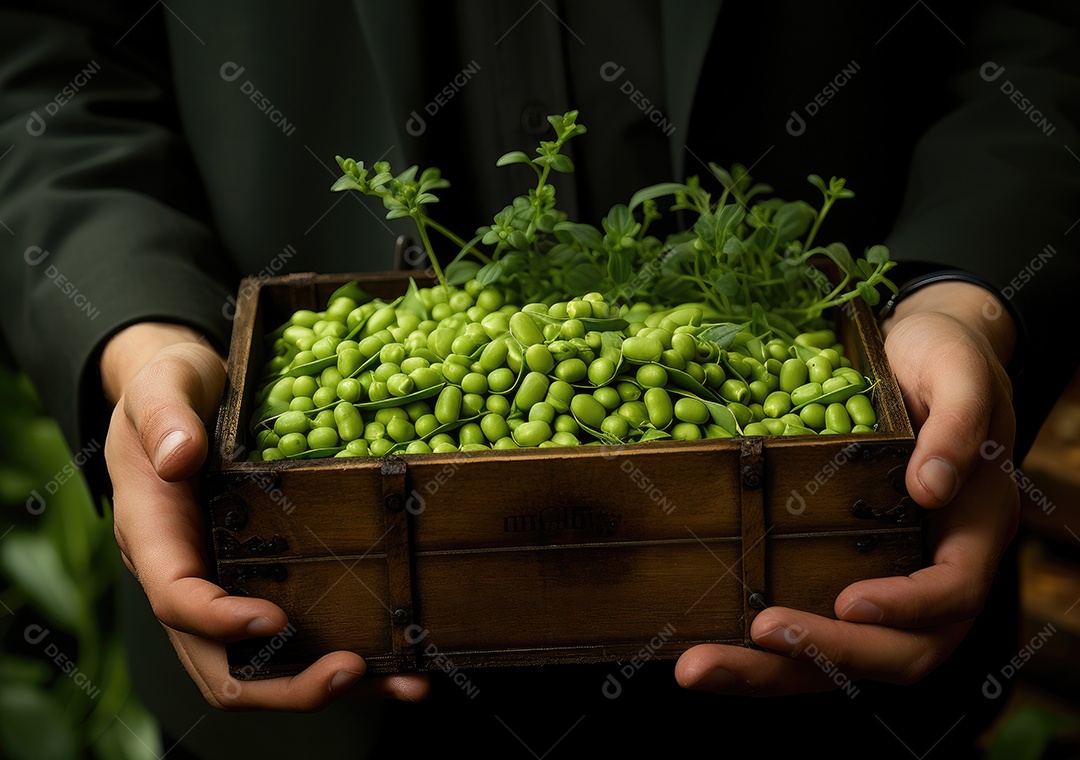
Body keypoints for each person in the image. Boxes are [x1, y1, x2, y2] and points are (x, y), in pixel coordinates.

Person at [1, 0, 1077, 756]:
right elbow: (40, 65)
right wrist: (135, 333)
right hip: (319, 676)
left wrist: (968, 296)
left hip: (834, 661)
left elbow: (1045, 33)